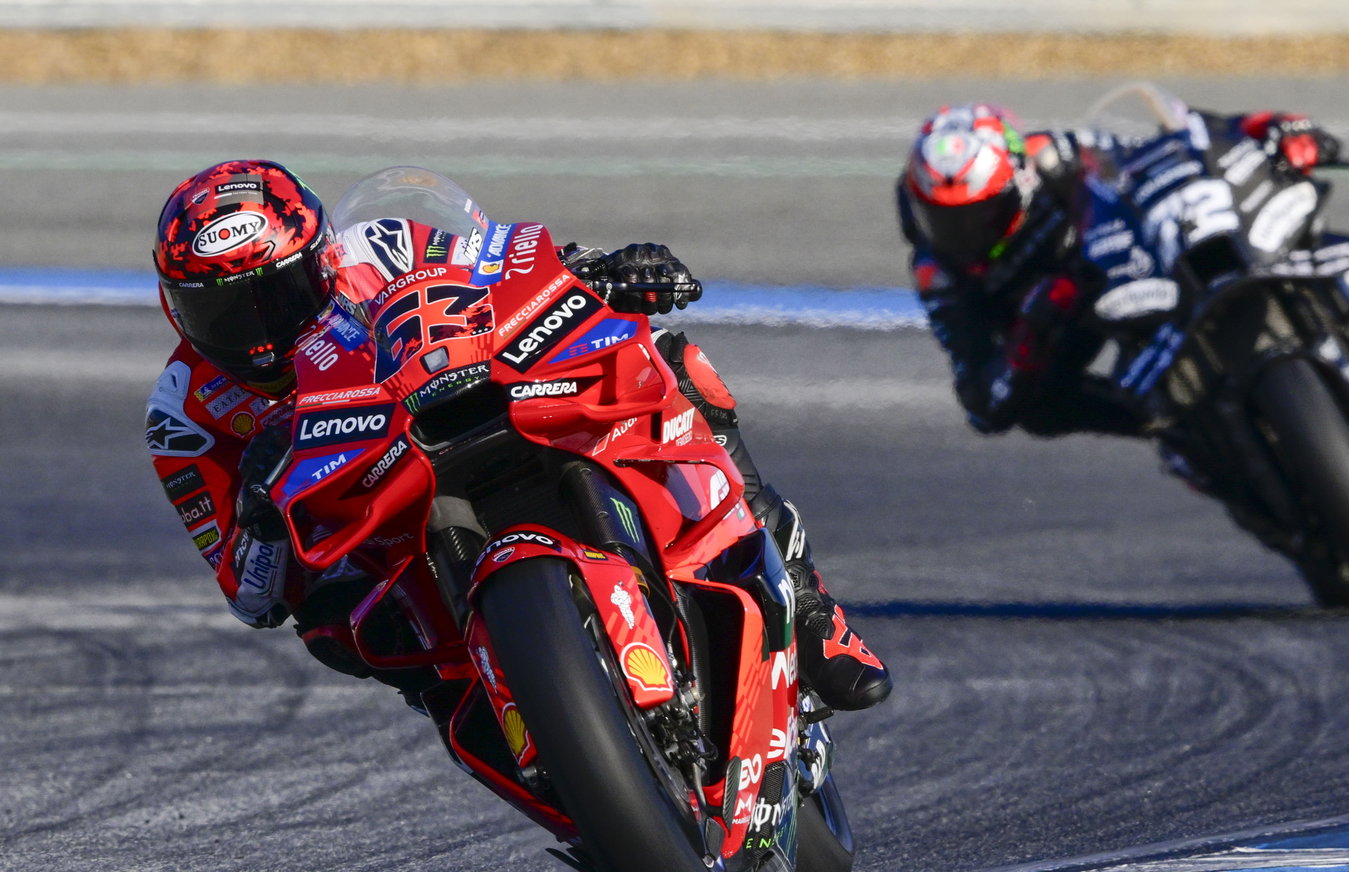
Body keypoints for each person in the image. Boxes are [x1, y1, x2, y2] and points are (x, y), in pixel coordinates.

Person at [146, 159, 890, 712]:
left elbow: (501, 267)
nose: (260, 334)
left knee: (668, 362)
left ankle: (810, 609)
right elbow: (251, 599)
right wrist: (260, 506)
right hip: (371, 528)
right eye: (227, 315)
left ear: (317, 258)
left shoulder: (383, 246)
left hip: (464, 416)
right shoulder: (185, 414)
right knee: (342, 624)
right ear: (176, 309)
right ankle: (507, 718)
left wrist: (595, 272)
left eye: (276, 295)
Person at [897, 102, 1349, 439]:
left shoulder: (1053, 155)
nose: (964, 235)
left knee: (1262, 221)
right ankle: (1168, 428)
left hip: (1129, 262)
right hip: (1064, 323)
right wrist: (1032, 330)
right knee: (1037, 412)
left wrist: (1266, 127)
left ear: (1018, 179)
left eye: (980, 215)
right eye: (944, 219)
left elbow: (1171, 145)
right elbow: (982, 399)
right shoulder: (938, 272)